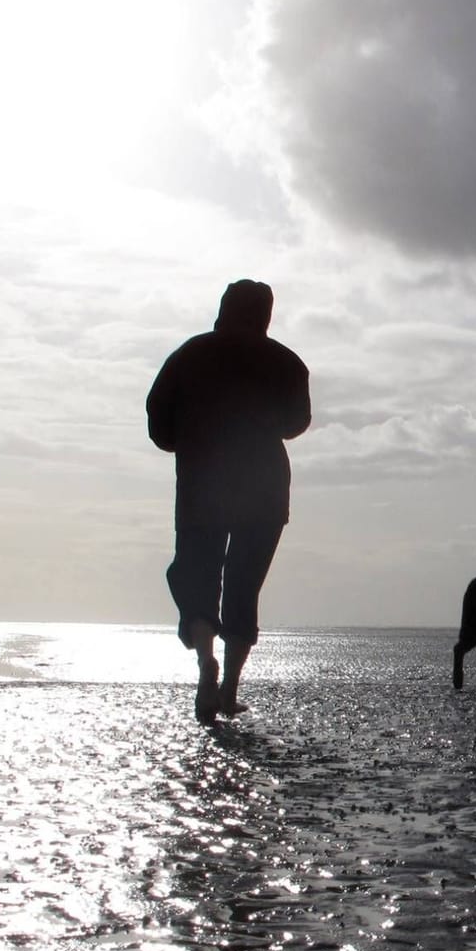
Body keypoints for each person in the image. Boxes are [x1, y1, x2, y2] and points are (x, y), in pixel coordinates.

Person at [146, 279, 312, 724]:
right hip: (264, 489)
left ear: (223, 308)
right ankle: (230, 688)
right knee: (244, 587)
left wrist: (190, 437)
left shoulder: (189, 354)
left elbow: (158, 423)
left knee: (197, 576)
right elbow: (297, 422)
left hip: (203, 485)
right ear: (266, 315)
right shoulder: (286, 362)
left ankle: (205, 660)